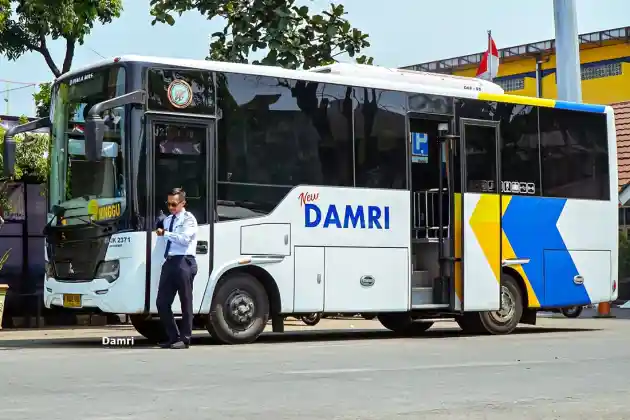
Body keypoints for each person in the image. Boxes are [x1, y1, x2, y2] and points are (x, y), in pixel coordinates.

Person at [155, 187, 198, 349]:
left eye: (174, 204)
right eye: (169, 204)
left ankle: (185, 338)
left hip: (184, 261)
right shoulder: (167, 220)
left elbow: (185, 239)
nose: (171, 208)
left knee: (185, 301)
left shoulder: (188, 219)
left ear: (183, 203)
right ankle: (173, 337)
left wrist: (165, 234)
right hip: (170, 261)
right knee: (162, 302)